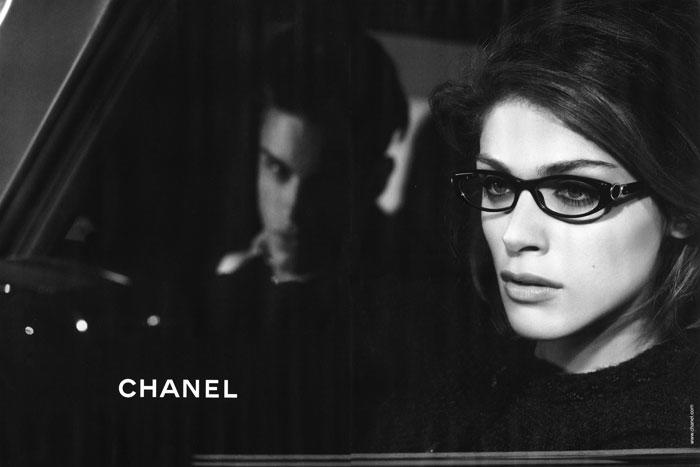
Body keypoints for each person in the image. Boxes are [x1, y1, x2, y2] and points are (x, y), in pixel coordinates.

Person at [371, 0, 700, 452]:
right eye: (497, 185)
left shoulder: (674, 435)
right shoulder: (439, 398)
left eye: (574, 192)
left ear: (681, 208)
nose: (515, 235)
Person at [197, 22, 408, 454]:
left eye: (324, 182)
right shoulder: (218, 267)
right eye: (277, 169)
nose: (293, 208)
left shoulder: (397, 318)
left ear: (377, 179)